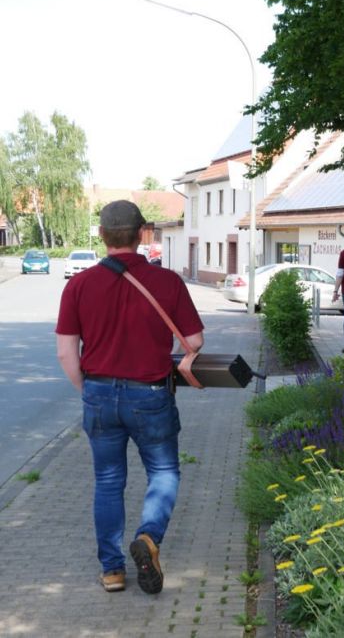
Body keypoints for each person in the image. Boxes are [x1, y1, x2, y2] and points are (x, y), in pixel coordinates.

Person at [55, 200, 204, 594]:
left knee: (107, 482)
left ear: (102, 235)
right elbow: (194, 341)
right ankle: (150, 538)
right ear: (142, 234)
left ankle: (112, 571)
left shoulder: (78, 285)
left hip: (99, 395)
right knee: (164, 473)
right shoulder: (168, 282)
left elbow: (66, 352)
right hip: (150, 395)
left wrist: (87, 390)